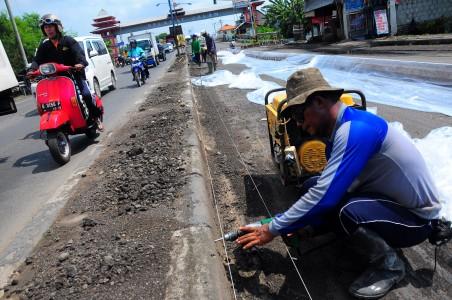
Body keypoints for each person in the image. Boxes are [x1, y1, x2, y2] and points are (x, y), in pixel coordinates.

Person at [236, 68, 444, 299]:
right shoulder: (341, 131)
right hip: (387, 201)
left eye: (299, 116)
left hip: (415, 220)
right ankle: (322, 231)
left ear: (318, 101)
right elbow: (326, 188)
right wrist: (296, 224)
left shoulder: (356, 131)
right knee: (311, 185)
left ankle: (390, 265)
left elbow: (326, 198)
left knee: (344, 209)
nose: (300, 125)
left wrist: (272, 228)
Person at [30, 14, 103, 130]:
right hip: (55, 79)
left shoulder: (68, 41)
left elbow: (79, 54)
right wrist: (31, 70)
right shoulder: (45, 46)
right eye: (45, 27)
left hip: (74, 74)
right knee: (51, 101)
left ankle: (96, 117)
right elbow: (37, 60)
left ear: (57, 27)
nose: (48, 29)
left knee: (86, 95)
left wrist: (80, 63)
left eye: (50, 26)